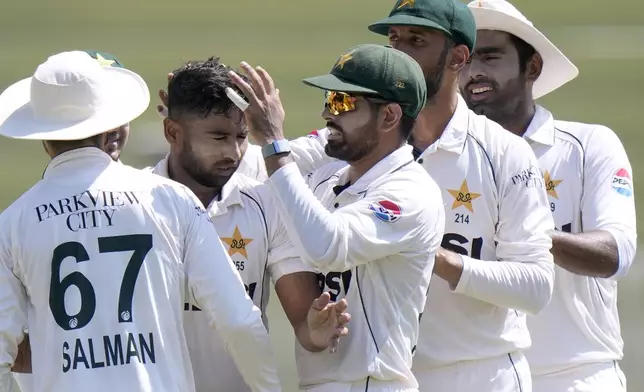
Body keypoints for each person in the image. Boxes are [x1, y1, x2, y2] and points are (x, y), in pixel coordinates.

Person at [263, 0, 556, 390]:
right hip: (384, 373)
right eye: (394, 39)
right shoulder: (352, 140)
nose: (398, 52)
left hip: (475, 372)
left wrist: (431, 255)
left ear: (458, 56)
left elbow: (535, 286)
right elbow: (264, 162)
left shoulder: (504, 153)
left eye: (416, 41)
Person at [0, 51, 282, 392]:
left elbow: (6, 348)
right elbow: (239, 322)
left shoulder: (12, 223)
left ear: (42, 132)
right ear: (113, 124)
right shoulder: (169, 199)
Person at [229, 43, 446, 392]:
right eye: (330, 99)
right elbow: (258, 175)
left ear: (389, 116)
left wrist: (272, 140)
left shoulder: (410, 193)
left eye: (342, 103)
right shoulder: (328, 179)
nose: (327, 113)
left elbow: (326, 246)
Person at [461, 1, 636, 390]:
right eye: (465, 60)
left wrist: (527, 235)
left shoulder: (587, 145)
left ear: (532, 67)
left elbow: (616, 253)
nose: (474, 73)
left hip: (576, 376)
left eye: (490, 57)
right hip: (481, 378)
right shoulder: (445, 156)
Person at [149, 56, 350, 392]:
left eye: (241, 136)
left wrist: (315, 332)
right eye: (217, 137)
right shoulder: (136, 205)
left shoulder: (265, 201)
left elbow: (304, 323)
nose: (233, 152)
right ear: (172, 132)